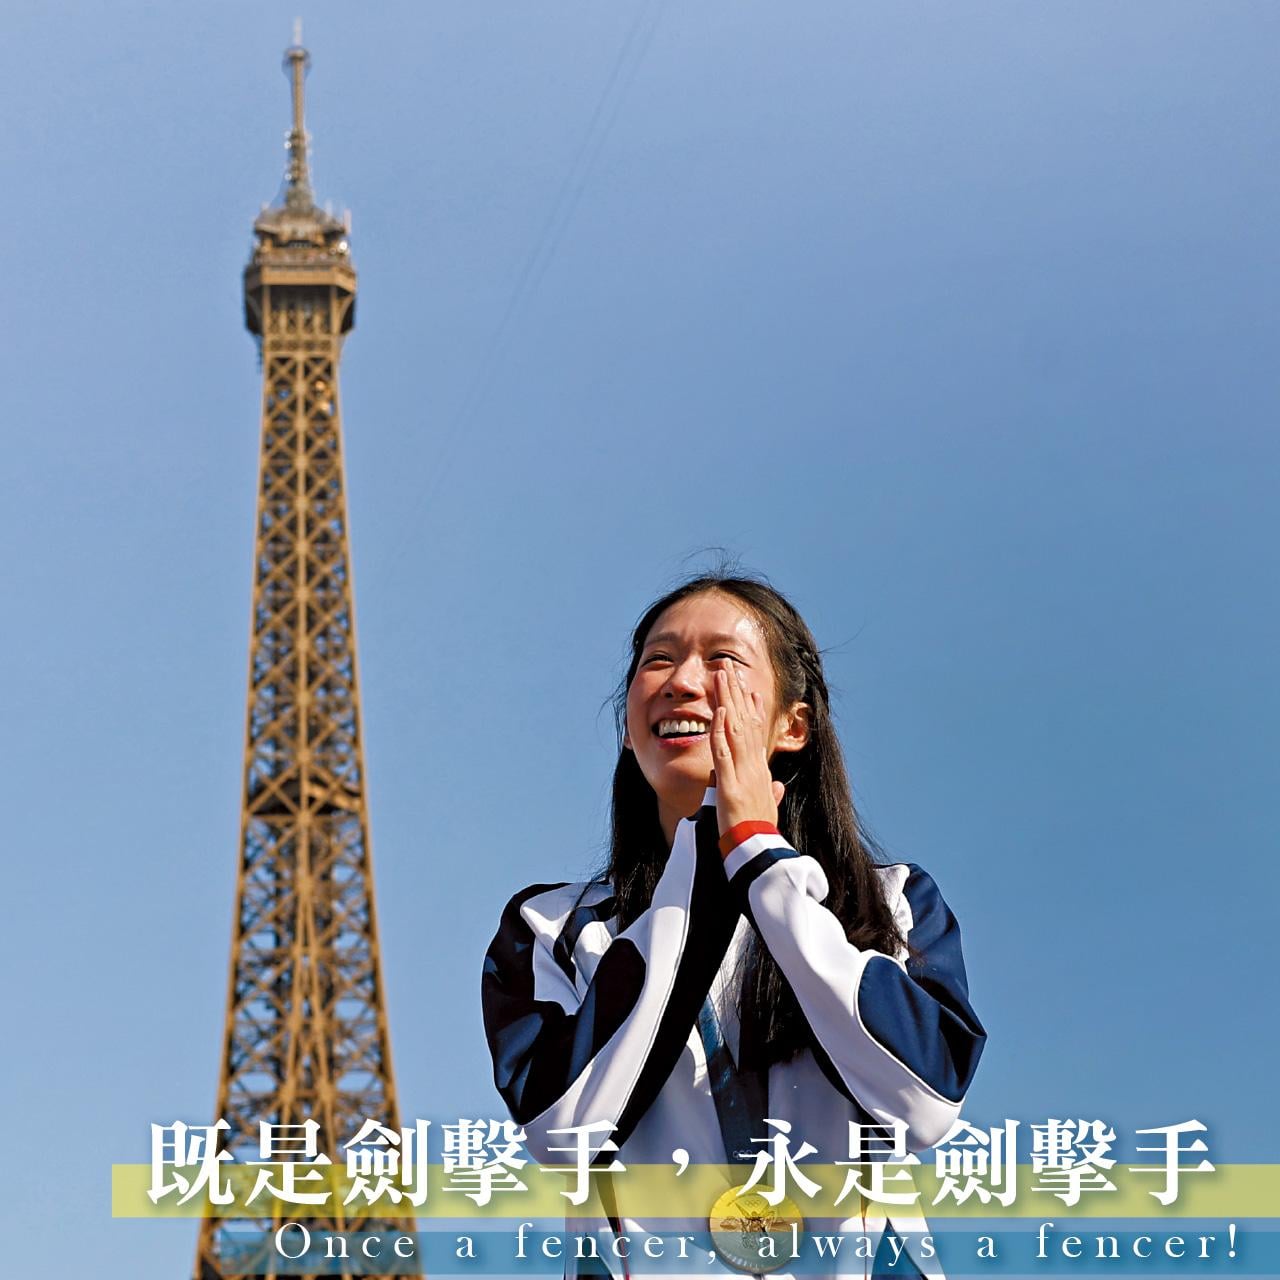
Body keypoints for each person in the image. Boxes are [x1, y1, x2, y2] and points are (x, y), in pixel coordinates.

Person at [481, 572, 986, 1279]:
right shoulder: (551, 926)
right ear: (628, 728)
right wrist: (708, 857)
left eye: (722, 659)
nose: (683, 681)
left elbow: (925, 1103)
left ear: (793, 726)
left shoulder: (889, 901)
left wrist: (757, 854)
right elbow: (563, 1128)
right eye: (659, 660)